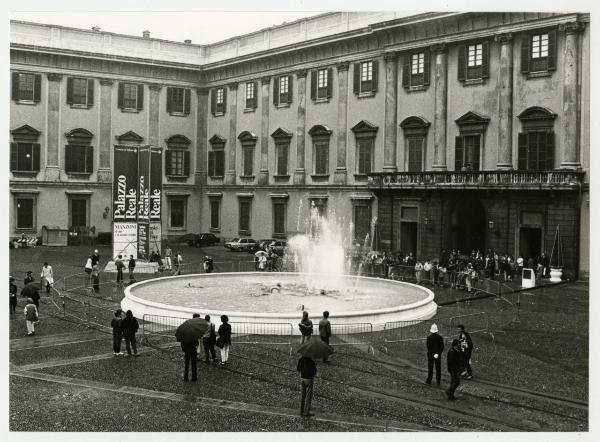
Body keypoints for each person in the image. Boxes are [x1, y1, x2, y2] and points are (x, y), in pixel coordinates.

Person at [180, 313, 200, 382]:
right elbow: (196, 343)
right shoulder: (195, 330)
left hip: (186, 349)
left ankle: (186, 378)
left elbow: (182, 341)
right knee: (194, 364)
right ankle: (194, 377)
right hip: (193, 349)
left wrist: (183, 348)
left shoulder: (185, 329)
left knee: (186, 363)